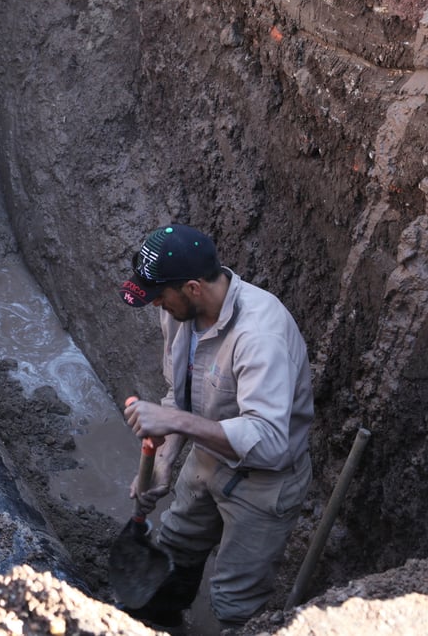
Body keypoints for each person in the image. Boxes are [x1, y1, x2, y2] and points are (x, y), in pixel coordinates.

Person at [116, 224, 314, 632]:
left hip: (265, 482)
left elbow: (272, 443)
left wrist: (173, 422)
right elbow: (179, 394)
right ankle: (162, 623)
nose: (156, 305)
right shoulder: (180, 315)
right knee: (174, 545)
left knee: (235, 599)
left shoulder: (260, 335)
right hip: (209, 456)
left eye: (160, 296)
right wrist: (167, 457)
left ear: (192, 287)